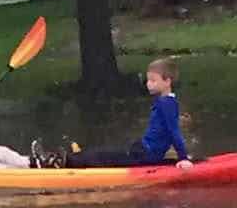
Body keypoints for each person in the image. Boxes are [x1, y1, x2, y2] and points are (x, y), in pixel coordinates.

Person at [57, 58, 195, 169]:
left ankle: (65, 161)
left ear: (167, 82)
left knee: (104, 156)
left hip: (145, 155)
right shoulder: (166, 101)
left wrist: (183, 158)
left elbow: (174, 131)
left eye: (153, 80)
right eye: (148, 80)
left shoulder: (167, 104)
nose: (148, 84)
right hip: (142, 150)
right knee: (106, 153)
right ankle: (72, 158)